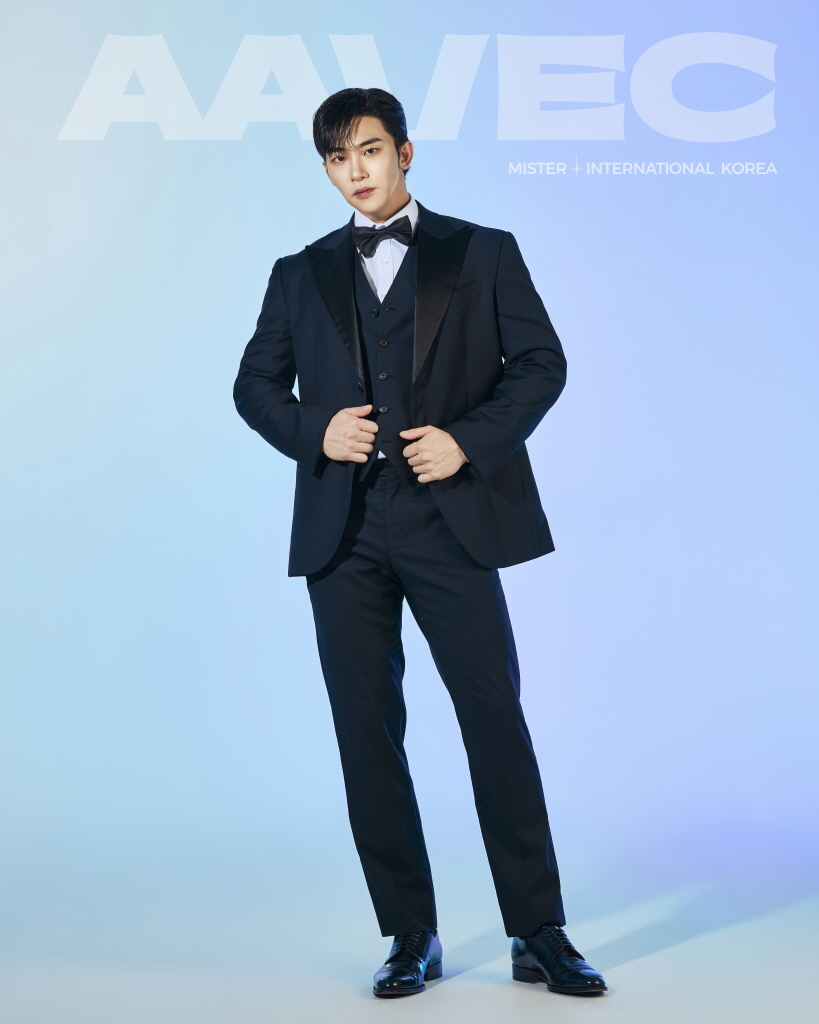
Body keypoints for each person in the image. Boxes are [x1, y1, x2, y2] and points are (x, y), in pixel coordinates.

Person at [233, 87, 606, 999]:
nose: (354, 171)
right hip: (344, 533)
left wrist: (467, 442)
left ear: (404, 152)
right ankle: (409, 933)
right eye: (337, 159)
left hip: (451, 522)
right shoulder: (298, 272)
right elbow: (254, 387)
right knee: (366, 733)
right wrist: (315, 431)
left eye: (368, 150)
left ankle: (537, 931)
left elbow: (542, 363)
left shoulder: (482, 252)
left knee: (493, 719)